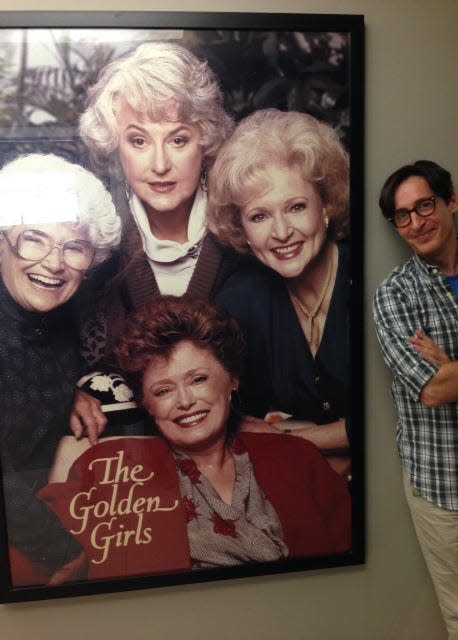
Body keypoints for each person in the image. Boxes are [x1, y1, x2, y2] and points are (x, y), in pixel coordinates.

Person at [36, 296, 351, 579]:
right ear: (147, 403)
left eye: (198, 379)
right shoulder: (110, 468)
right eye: (163, 390)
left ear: (232, 380)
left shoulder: (295, 455)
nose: (184, 401)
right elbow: (32, 554)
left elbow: (352, 567)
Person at [74, 41, 239, 443]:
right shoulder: (91, 244)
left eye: (178, 140)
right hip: (129, 472)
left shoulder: (246, 236)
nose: (160, 164)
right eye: (139, 141)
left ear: (206, 140)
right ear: (116, 147)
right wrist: (67, 391)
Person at [0, 153, 122, 587]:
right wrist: (64, 553)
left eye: (74, 247)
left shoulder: (54, 316)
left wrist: (67, 391)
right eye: (34, 239)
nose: (54, 263)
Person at [208, 108, 351, 477]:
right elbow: (236, 422)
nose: (282, 232)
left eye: (296, 207)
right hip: (302, 485)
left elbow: (399, 413)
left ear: (327, 207)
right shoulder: (239, 301)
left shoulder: (373, 280)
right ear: (241, 227)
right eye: (260, 216)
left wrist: (300, 437)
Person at [373, 160, 458, 639]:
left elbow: (448, 380)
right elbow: (434, 391)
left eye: (425, 205)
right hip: (446, 484)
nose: (416, 223)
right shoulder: (394, 296)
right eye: (402, 216)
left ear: (450, 201)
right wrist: (447, 375)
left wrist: (457, 367)